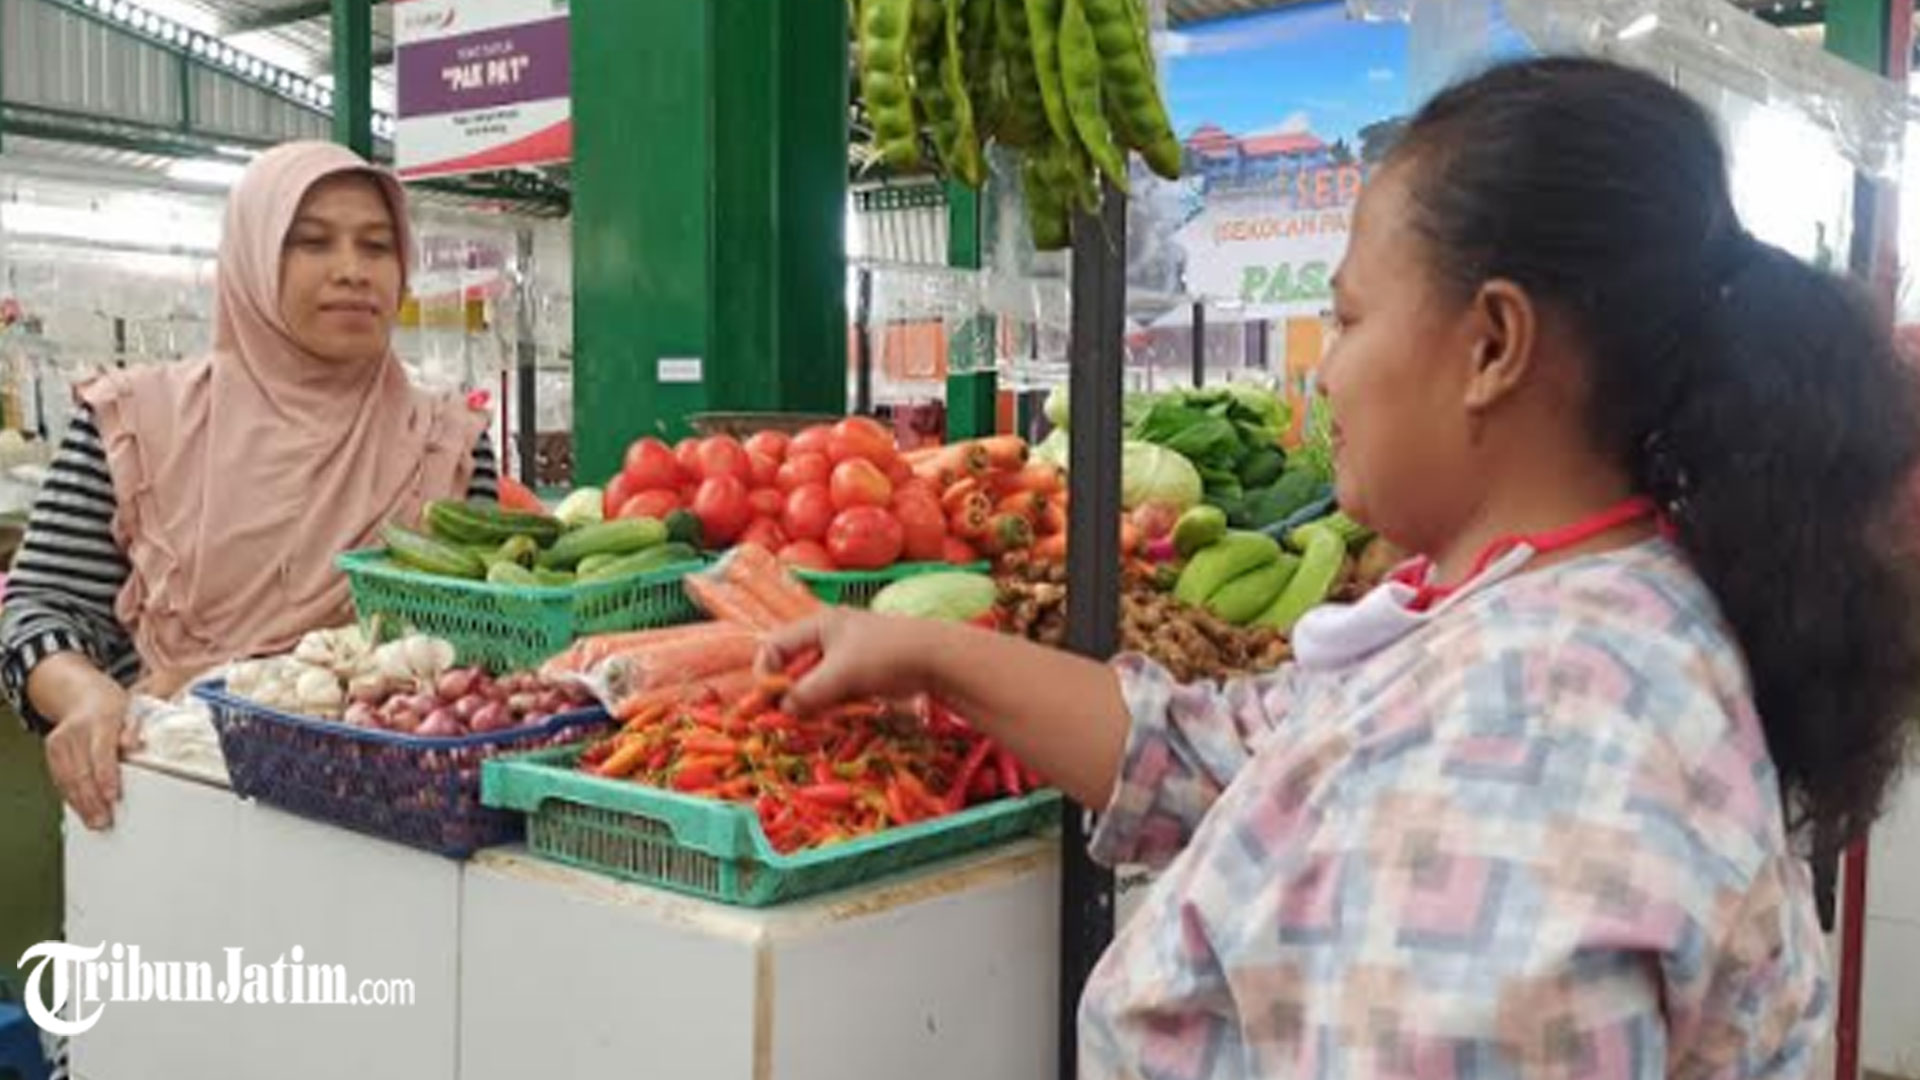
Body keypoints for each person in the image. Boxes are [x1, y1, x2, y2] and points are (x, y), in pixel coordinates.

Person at [762, 57, 1920, 1075]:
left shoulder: (1518, 759)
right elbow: (1231, 757)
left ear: (1493, 346)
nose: (1325, 376)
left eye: (1351, 319)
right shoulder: (1580, 610)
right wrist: (918, 649)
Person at [2, 142, 500, 831]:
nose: (353, 271)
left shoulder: (447, 443)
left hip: (382, 814)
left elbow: (477, 640)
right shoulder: (135, 424)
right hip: (167, 791)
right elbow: (38, 608)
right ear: (252, 260)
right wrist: (86, 697)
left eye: (377, 246)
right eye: (313, 243)